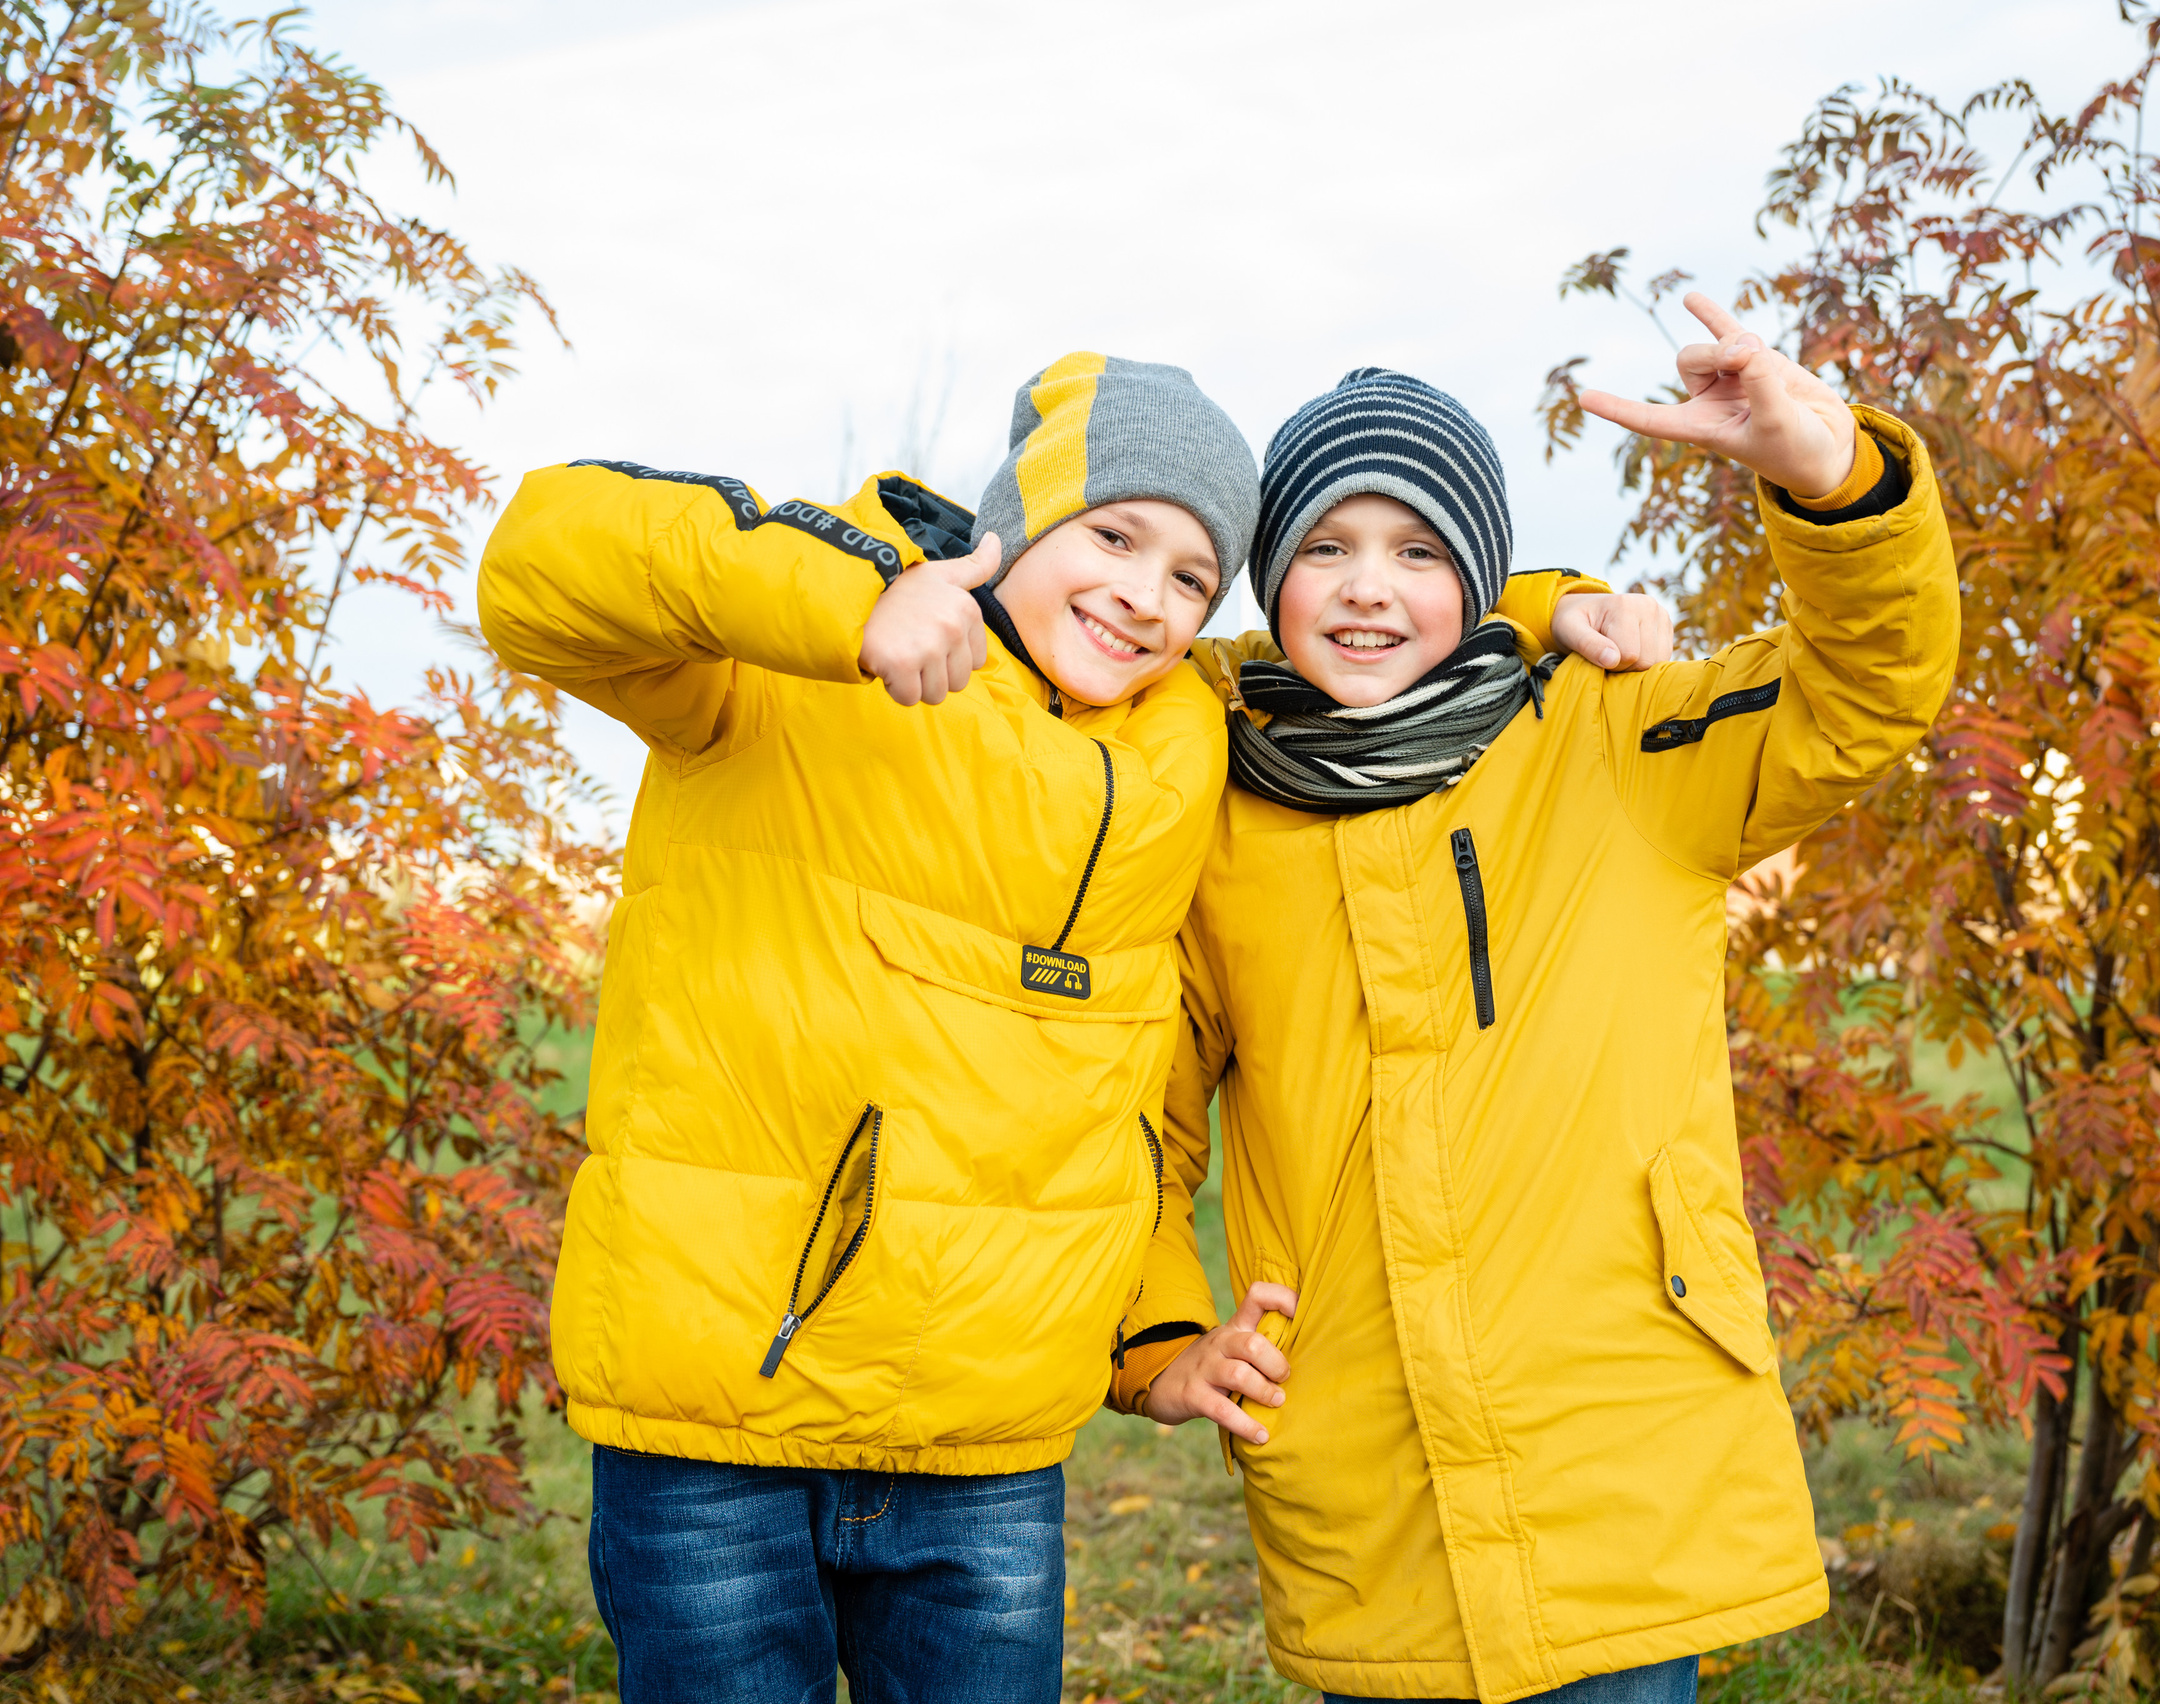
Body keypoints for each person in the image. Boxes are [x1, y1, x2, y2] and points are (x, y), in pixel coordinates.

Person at [1124, 297, 1961, 1703]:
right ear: (1270, 579)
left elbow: (1863, 694)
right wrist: (1151, 1335)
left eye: (1423, 551)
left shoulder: (1619, 739)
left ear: (1484, 569)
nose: (1369, 588)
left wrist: (1832, 489)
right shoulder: (1216, 800)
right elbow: (1142, 1118)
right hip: (1364, 1470)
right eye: (1324, 547)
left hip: (1615, 1459)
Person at [476, 352, 1261, 1704]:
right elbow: (542, 558)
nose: (1145, 591)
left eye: (1193, 574)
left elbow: (1390, 637)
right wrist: (845, 605)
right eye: (1115, 532)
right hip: (719, 1417)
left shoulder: (1193, 747)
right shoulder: (780, 669)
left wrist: (1570, 604)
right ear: (1016, 522)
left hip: (986, 1450)